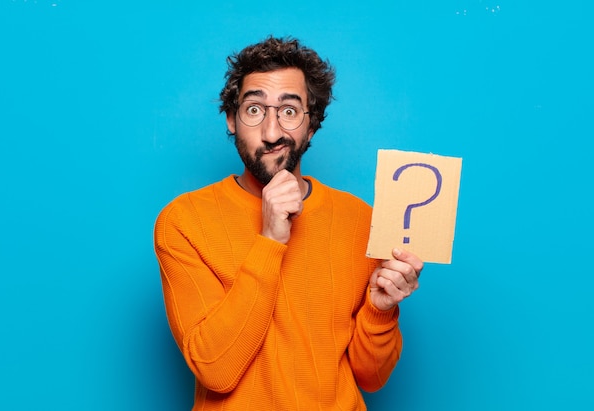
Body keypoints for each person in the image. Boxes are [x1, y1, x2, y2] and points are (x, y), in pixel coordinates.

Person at [153, 35, 422, 410]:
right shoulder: (183, 222)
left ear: (312, 126)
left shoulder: (362, 220)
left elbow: (371, 378)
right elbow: (216, 370)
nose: (272, 132)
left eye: (290, 111)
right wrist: (270, 240)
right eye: (254, 110)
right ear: (231, 119)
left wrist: (380, 308)